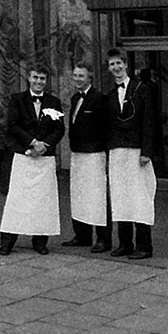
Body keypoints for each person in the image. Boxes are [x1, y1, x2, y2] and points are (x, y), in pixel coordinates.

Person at [0, 64, 65, 256]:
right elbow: (12, 125)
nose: (38, 82)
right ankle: (7, 242)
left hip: (45, 158)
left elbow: (59, 129)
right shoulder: (17, 99)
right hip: (23, 156)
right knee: (17, 199)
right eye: (35, 77)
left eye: (42, 78)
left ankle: (40, 242)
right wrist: (33, 142)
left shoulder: (53, 102)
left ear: (46, 80)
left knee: (43, 201)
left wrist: (44, 145)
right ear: (29, 78)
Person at [104, 48, 157, 260]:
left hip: (136, 152)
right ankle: (125, 243)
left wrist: (146, 152)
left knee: (139, 197)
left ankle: (144, 246)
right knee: (120, 196)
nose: (116, 67)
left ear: (125, 64)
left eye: (119, 63)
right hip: (117, 151)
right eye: (112, 64)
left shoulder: (142, 89)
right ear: (109, 68)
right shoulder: (110, 95)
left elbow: (149, 121)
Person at [61, 61, 113, 253]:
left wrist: (103, 153)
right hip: (77, 154)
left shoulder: (99, 99)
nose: (77, 79)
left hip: (94, 154)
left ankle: (103, 239)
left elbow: (105, 128)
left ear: (90, 77)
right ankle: (82, 235)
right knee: (79, 194)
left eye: (81, 76)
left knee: (97, 196)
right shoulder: (75, 98)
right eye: (75, 75)